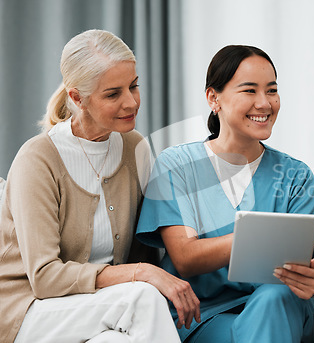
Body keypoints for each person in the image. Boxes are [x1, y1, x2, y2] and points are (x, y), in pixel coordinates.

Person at [0, 29, 200, 343]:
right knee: (143, 297)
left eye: (134, 86)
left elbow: (148, 247)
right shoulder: (38, 159)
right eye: (113, 94)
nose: (131, 102)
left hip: (102, 307)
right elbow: (44, 278)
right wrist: (141, 275)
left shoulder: (135, 149)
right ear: (77, 97)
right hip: (31, 311)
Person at [136, 45, 314, 342]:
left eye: (272, 91)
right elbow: (186, 257)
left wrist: (307, 280)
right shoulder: (177, 166)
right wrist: (257, 237)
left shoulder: (295, 175)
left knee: (274, 295)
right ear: (213, 98)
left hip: (284, 311)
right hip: (205, 317)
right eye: (249, 91)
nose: (264, 103)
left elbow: (298, 270)